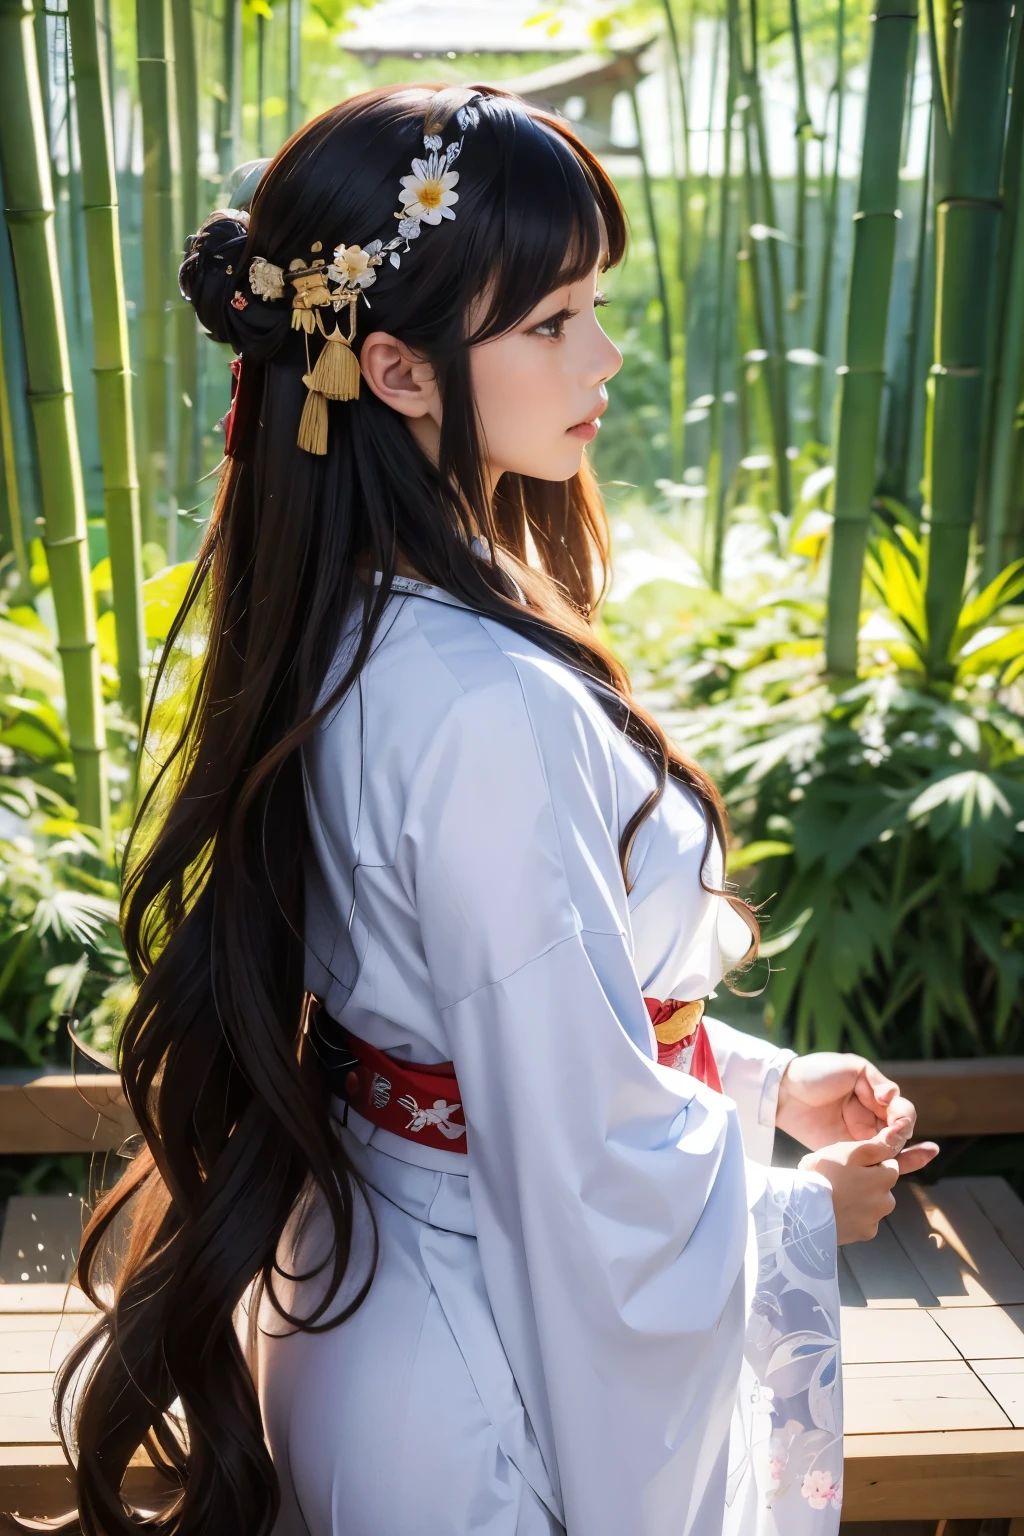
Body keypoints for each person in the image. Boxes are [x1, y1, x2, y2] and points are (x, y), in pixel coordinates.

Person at [56, 84, 938, 1536]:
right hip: (482, 1393)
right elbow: (573, 1157)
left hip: (402, 1301)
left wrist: (753, 1084)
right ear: (396, 371)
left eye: (592, 301)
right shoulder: (481, 695)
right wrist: (791, 1213)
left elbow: (474, 1013)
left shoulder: (372, 619)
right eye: (550, 323)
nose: (603, 351)